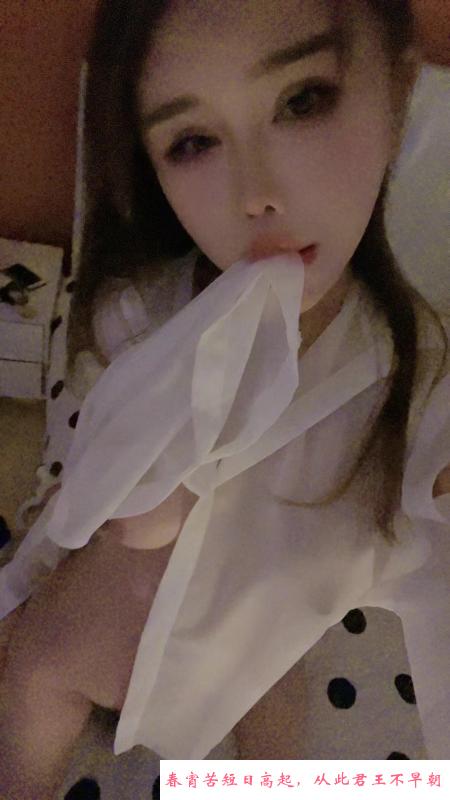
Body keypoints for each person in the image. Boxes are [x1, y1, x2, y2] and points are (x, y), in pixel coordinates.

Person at [0, 1, 449, 797]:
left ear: (397, 94)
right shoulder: (138, 311)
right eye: (193, 142)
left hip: (252, 650)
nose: (256, 195)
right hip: (111, 615)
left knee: (276, 744)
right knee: (31, 680)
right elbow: (112, 498)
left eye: (303, 100)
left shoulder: (416, 362)